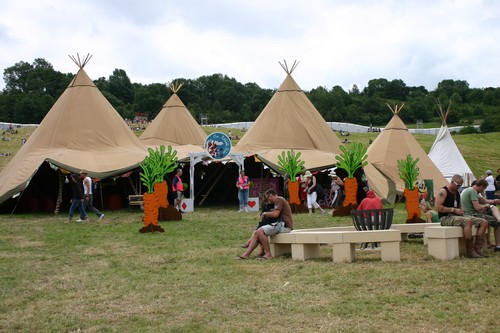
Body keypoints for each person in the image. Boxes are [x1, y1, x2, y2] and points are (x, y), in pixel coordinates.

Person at [435, 175, 489, 258]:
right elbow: (438, 207)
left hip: (457, 216)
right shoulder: (443, 191)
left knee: (484, 222)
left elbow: (460, 206)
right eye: (458, 185)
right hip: (446, 217)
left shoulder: (456, 192)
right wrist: (453, 210)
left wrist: (461, 210)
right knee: (468, 221)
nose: (459, 187)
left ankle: (477, 249)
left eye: (460, 185)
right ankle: (470, 251)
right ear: (452, 182)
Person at [238, 189, 293, 260]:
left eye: (267, 198)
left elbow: (275, 214)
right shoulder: (279, 200)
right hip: (281, 224)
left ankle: (268, 254)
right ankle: (246, 254)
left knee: (260, 231)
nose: (268, 201)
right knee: (257, 232)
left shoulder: (279, 199)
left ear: (270, 196)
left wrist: (265, 213)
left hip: (284, 225)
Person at [460, 179, 500, 252]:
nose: (483, 191)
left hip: (470, 214)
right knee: (496, 223)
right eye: (484, 189)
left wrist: (492, 201)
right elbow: (478, 208)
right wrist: (485, 206)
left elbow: (483, 201)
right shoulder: (473, 192)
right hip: (473, 215)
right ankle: (494, 246)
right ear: (481, 186)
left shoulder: (469, 190)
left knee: (491, 212)